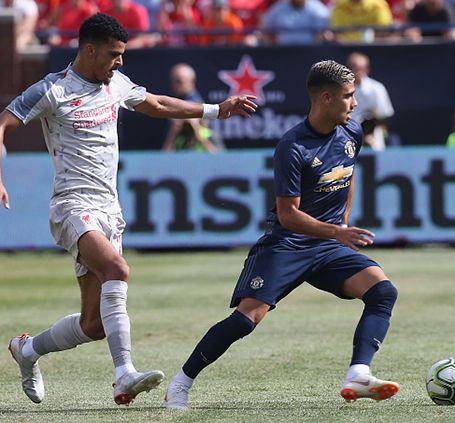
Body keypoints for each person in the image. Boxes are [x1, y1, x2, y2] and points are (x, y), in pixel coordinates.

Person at [0, 13, 257, 405]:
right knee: (117, 269)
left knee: (94, 326)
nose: (120, 62)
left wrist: (215, 110)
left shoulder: (116, 84)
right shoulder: (53, 89)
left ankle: (27, 350)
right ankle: (124, 374)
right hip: (72, 205)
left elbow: (156, 103)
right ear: (89, 50)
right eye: (114, 54)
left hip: (110, 209)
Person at [165, 60, 399, 410]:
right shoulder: (292, 146)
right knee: (246, 320)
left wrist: (342, 224)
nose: (354, 103)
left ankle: (358, 373)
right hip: (286, 244)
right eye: (349, 96)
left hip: (328, 244)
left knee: (383, 291)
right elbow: (289, 215)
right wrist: (337, 231)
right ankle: (180, 384)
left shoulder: (351, 131)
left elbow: (348, 175)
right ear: (324, 98)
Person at [161, 63, 220, 152]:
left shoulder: (208, 135)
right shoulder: (178, 139)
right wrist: (173, 133)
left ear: (191, 82)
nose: (175, 85)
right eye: (173, 81)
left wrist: (198, 132)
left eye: (179, 81)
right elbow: (163, 159)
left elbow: (220, 159)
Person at [346, 52, 395, 151]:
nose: (356, 72)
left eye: (360, 69)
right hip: (345, 138)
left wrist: (368, 133)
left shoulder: (377, 88)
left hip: (373, 140)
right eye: (353, 68)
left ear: (367, 70)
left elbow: (384, 117)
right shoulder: (338, 89)